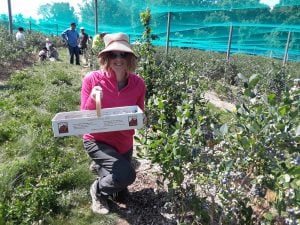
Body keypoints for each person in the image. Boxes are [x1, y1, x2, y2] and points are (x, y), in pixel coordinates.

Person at [80, 32, 146, 215]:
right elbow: (84, 117)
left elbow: (139, 113)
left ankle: (101, 167)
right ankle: (97, 190)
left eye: (123, 54)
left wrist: (142, 119)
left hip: (124, 142)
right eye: (114, 54)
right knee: (126, 176)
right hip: (97, 140)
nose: (118, 59)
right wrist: (94, 99)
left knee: (120, 194)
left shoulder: (138, 84)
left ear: (130, 57)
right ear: (106, 57)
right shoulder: (92, 80)